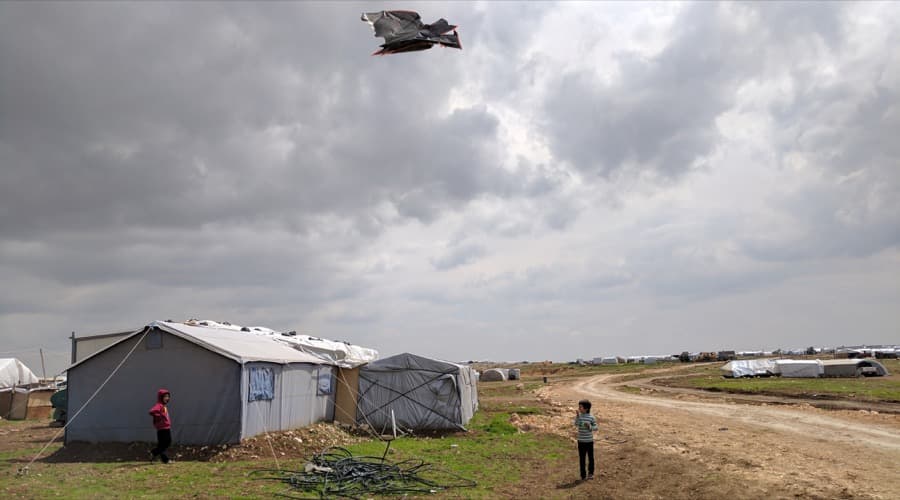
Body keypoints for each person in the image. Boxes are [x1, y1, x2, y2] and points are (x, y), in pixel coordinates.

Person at [574, 399, 597, 481]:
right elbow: (576, 424)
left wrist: (590, 427)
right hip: (581, 441)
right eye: (579, 407)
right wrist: (577, 417)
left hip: (589, 441)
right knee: (582, 458)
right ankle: (583, 475)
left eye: (580, 407)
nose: (579, 408)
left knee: (591, 458)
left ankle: (591, 473)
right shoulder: (579, 416)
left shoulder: (591, 417)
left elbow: (596, 428)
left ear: (586, 408)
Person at [148, 389, 172, 464]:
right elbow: (152, 411)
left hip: (164, 427)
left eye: (168, 396)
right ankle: (153, 452)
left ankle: (165, 460)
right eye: (165, 396)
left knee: (162, 445)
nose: (167, 398)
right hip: (163, 428)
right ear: (161, 397)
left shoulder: (163, 406)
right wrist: (159, 417)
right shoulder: (159, 405)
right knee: (167, 442)